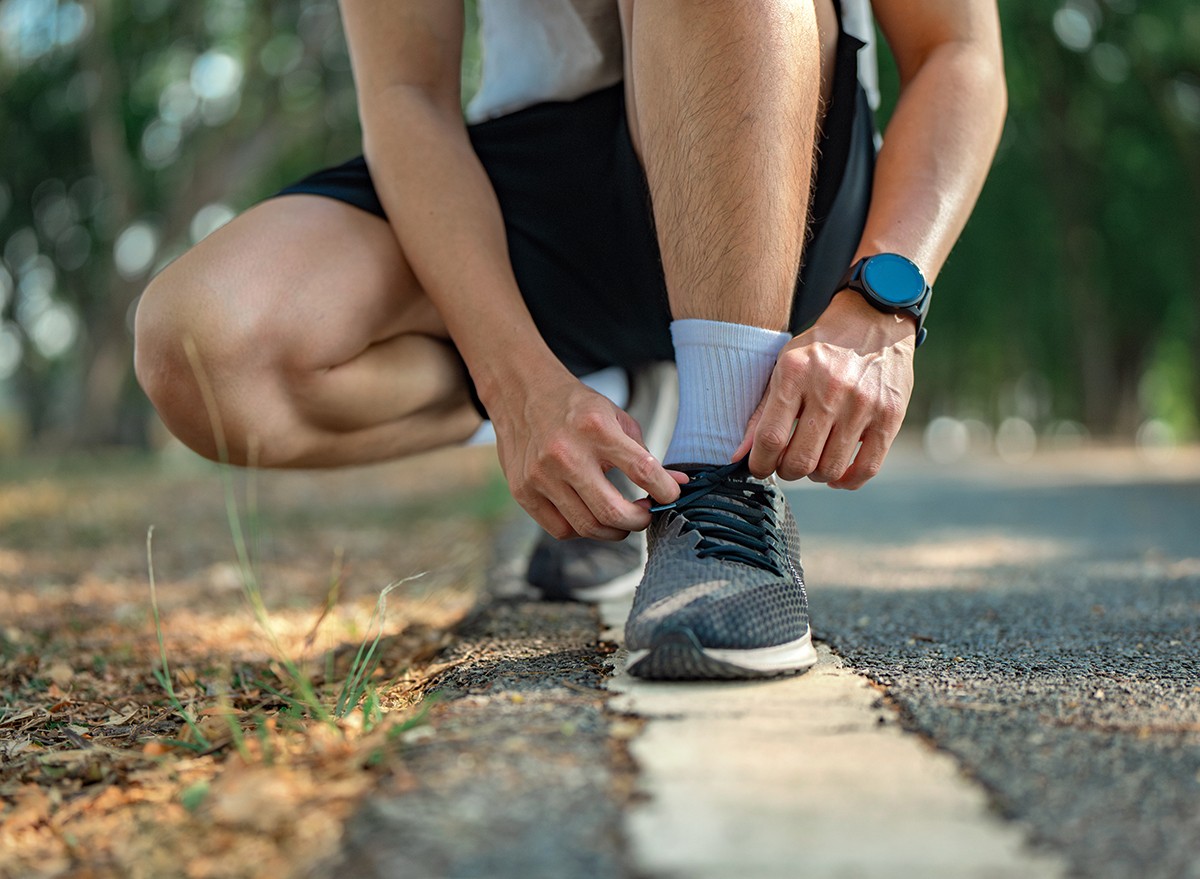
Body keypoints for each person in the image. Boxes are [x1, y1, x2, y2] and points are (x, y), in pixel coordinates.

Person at [134, 0, 1006, 680]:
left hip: (783, 150)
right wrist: (519, 386)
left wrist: (885, 301)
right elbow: (405, 97)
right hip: (542, 168)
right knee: (205, 352)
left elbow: (957, 51)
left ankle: (717, 489)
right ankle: (625, 402)